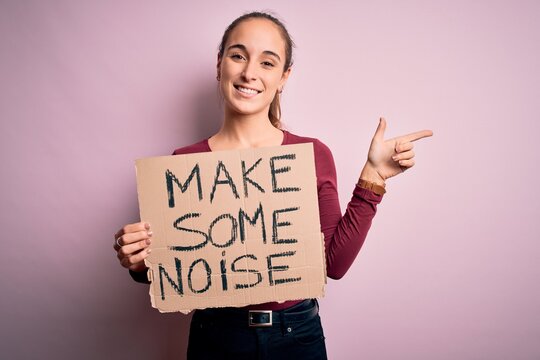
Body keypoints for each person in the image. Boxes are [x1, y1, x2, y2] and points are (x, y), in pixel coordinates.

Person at [113, 11, 433, 360]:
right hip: (216, 335)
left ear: (284, 77)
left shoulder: (310, 154)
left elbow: (334, 265)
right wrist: (140, 262)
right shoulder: (184, 163)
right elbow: (174, 269)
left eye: (268, 63)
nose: (249, 72)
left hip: (296, 335)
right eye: (238, 56)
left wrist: (373, 176)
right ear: (219, 65)